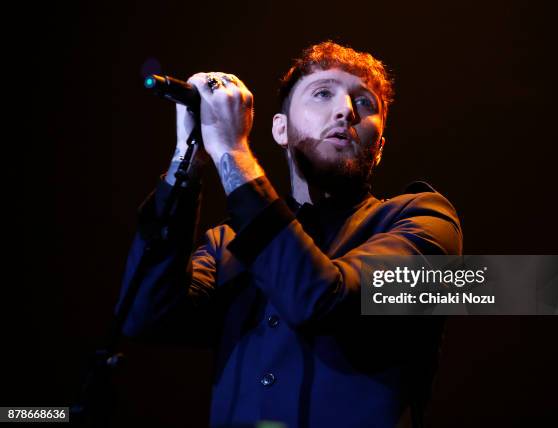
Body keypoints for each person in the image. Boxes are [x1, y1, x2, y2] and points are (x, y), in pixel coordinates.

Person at [117, 41, 463, 428]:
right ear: (280, 129)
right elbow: (145, 315)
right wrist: (188, 156)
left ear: (379, 146)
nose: (346, 110)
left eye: (365, 103)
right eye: (322, 93)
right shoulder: (226, 244)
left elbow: (323, 300)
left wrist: (232, 153)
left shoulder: (423, 220)